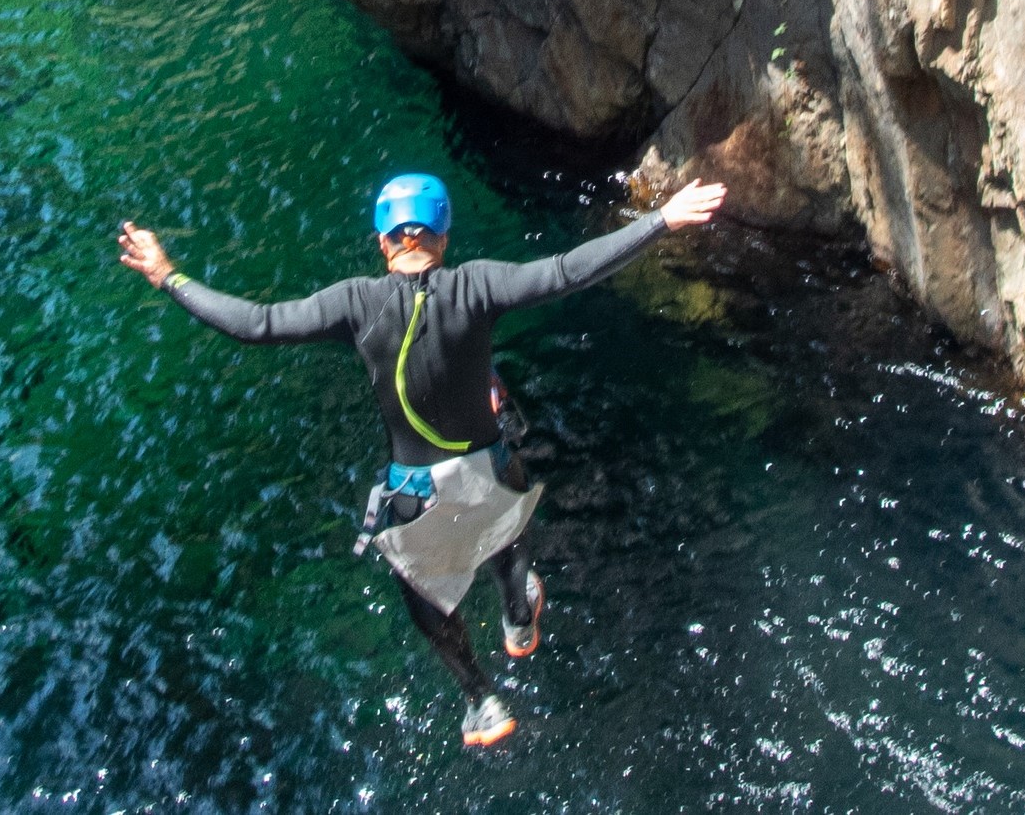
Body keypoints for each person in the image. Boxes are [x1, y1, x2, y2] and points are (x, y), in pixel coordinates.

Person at [118, 171, 727, 747]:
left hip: (417, 495)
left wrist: (168, 275)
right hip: (489, 474)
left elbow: (257, 324)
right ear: (444, 239)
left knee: (430, 603)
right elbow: (568, 271)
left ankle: (481, 700)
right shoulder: (479, 284)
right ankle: (519, 615)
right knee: (508, 522)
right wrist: (661, 220)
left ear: (383, 243)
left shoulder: (357, 303)